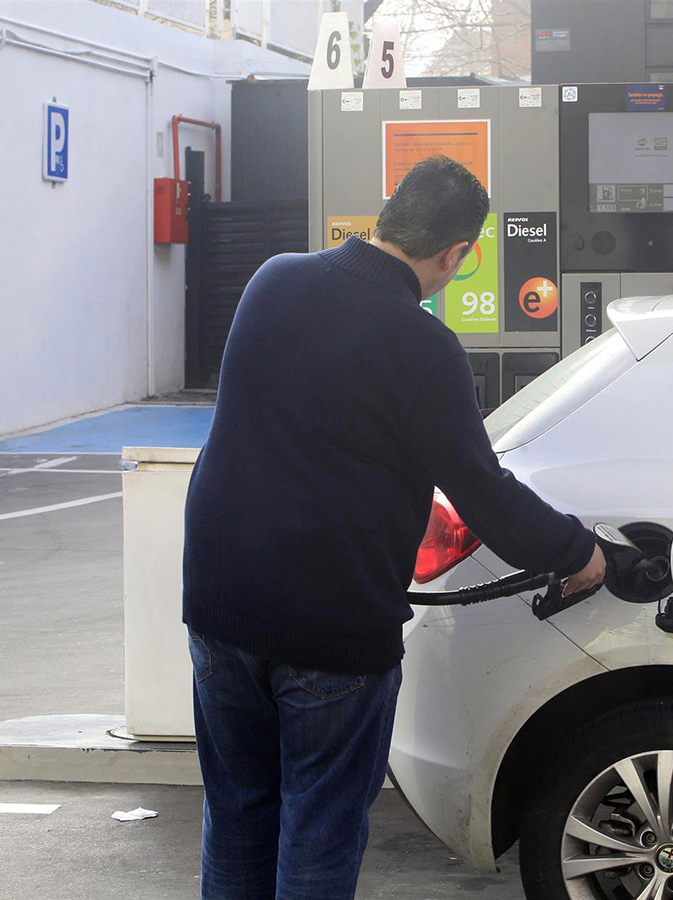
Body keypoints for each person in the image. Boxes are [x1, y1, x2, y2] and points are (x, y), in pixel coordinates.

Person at [181, 155, 606, 900]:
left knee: (239, 812)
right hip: (330, 627)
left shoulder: (272, 279)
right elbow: (483, 491)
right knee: (319, 825)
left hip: (220, 605)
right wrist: (578, 551)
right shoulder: (424, 347)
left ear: (387, 215)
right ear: (457, 254)